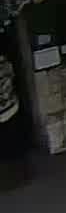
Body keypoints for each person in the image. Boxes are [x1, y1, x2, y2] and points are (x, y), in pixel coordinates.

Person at [0, 44, 28, 187]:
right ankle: (21, 174)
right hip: (11, 106)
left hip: (6, 109)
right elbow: (12, 77)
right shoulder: (6, 63)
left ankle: (9, 178)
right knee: (14, 143)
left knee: (6, 146)